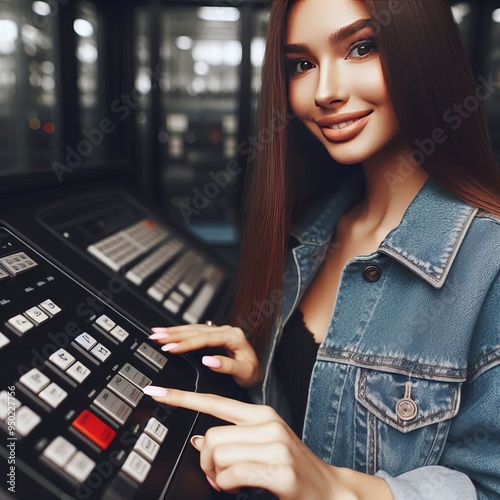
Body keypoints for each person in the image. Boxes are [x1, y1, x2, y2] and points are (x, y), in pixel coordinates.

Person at [143, 0, 500, 498]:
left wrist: (337, 490)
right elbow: (312, 438)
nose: (325, 92)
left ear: (423, 52)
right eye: (301, 65)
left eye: (362, 47)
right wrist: (260, 374)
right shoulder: (311, 232)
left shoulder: (490, 262)